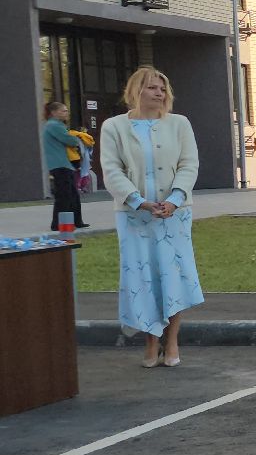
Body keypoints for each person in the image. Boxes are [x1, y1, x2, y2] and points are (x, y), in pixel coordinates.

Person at [98, 68, 204, 368]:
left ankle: (172, 340)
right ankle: (151, 339)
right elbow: (112, 169)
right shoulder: (114, 127)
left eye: (162, 88)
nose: (159, 93)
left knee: (172, 275)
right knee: (142, 278)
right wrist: (137, 201)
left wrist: (174, 199)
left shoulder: (179, 124)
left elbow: (189, 164)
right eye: (152, 88)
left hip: (174, 215)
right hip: (134, 216)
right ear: (136, 91)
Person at [42, 102, 87, 231]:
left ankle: (76, 221)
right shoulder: (54, 125)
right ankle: (59, 224)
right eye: (63, 111)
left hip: (63, 164)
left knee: (72, 194)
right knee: (64, 195)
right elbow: (70, 140)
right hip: (60, 164)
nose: (66, 113)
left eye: (66, 110)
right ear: (53, 113)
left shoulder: (53, 125)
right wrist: (77, 138)